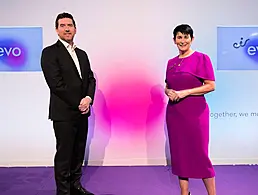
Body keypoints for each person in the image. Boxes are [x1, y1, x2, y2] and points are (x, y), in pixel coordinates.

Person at [41, 12, 96, 195]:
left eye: (70, 25)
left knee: (78, 152)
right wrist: (78, 102)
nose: (67, 28)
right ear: (57, 30)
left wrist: (88, 99)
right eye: (63, 25)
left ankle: (75, 186)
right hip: (63, 113)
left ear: (75, 29)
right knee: (64, 154)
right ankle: (63, 191)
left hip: (82, 112)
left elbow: (90, 79)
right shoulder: (49, 53)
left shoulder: (82, 54)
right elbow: (56, 84)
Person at [165, 24, 216, 195]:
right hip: (174, 114)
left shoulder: (202, 58)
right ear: (174, 40)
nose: (182, 40)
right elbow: (168, 85)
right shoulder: (171, 62)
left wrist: (186, 92)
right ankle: (184, 193)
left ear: (192, 39)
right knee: (180, 155)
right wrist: (168, 91)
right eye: (179, 37)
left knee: (200, 155)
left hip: (195, 114)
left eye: (186, 37)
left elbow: (210, 86)